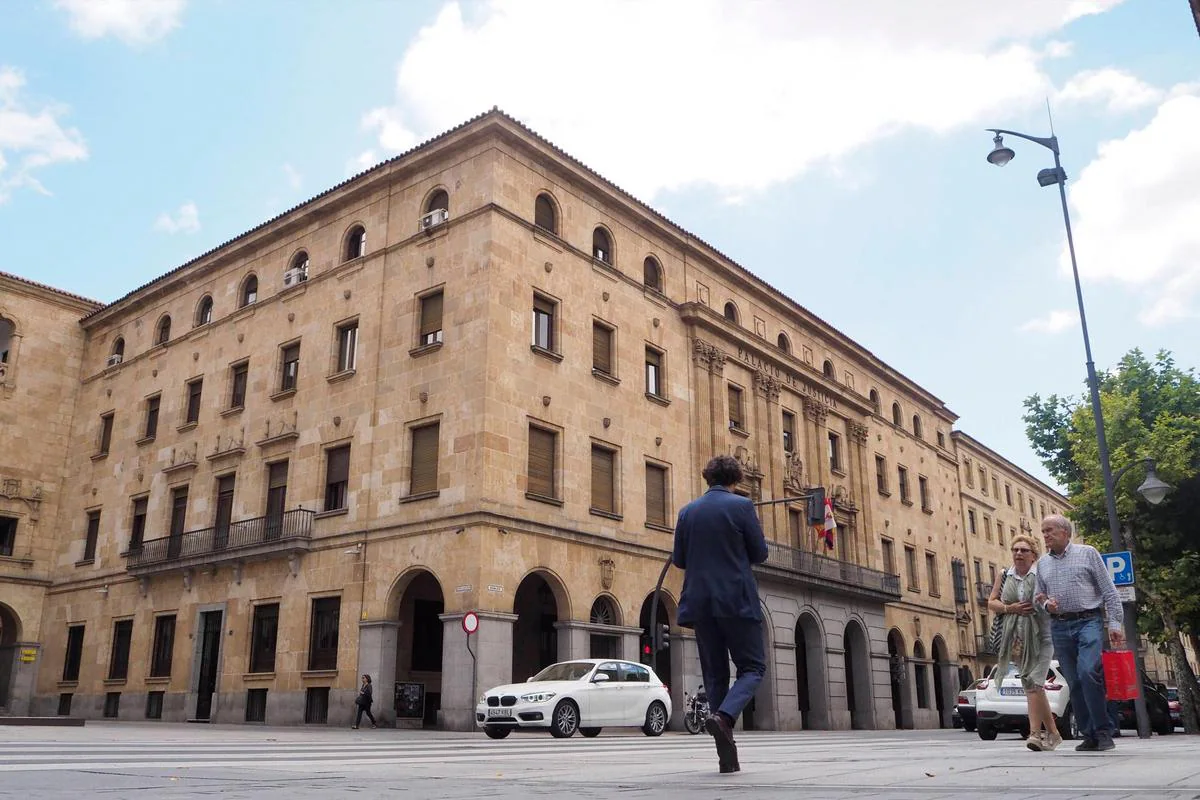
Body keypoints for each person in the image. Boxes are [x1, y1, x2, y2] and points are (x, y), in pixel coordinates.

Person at [672, 454, 769, 774]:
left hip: (700, 603)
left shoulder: (687, 512)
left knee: (715, 675)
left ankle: (726, 757)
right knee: (752, 667)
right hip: (737, 599)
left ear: (707, 478)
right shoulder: (742, 507)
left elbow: (680, 560)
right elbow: (760, 553)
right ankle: (725, 717)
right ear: (736, 479)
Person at [1034, 514, 1125, 752]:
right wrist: (1046, 605)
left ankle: (1104, 731)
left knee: (1087, 673)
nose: (1045, 535)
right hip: (1060, 626)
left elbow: (1109, 590)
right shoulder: (1042, 563)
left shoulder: (1088, 553)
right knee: (1074, 682)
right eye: (1043, 531)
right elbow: (1038, 596)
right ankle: (1089, 735)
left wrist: (1115, 623)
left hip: (1089, 621)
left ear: (1065, 532)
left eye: (1049, 530)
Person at [987, 533, 1062, 751]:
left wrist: (1047, 603)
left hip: (1042, 638)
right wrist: (1011, 608)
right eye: (1015, 550)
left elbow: (1051, 601)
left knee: (1034, 684)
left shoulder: (1042, 574)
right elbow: (992, 602)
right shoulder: (1004, 575)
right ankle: (1053, 734)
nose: (1019, 554)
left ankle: (1035, 734)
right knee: (1033, 686)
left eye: (1024, 550)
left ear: (1033, 555)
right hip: (1017, 639)